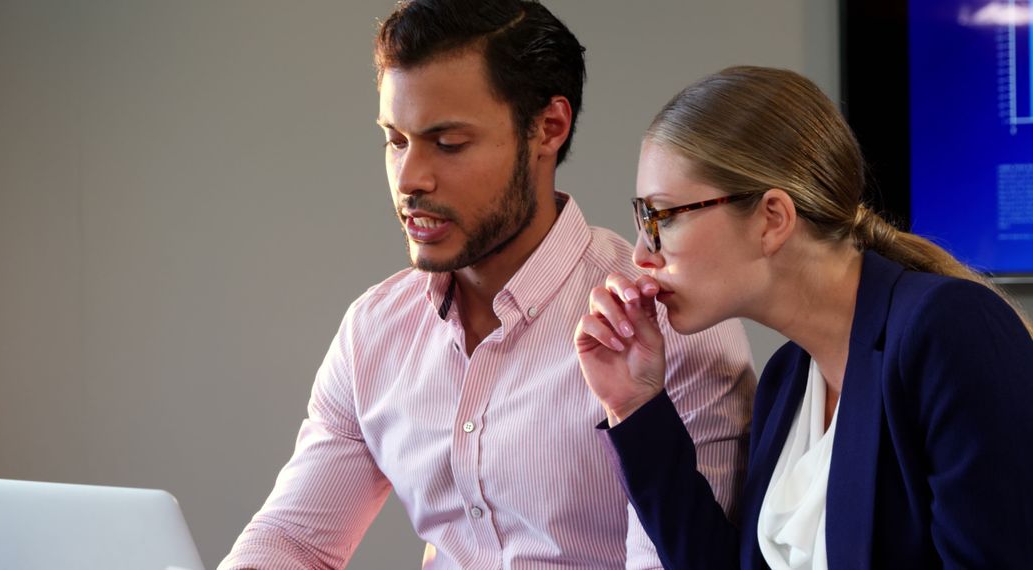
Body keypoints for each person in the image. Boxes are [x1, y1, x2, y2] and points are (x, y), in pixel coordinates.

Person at [219, 2, 756, 568]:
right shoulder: (374, 331)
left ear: (549, 128)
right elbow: (293, 541)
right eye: (395, 140)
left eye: (448, 143)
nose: (409, 180)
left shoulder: (667, 329)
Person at [575, 65, 1033, 570]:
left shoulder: (948, 328)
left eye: (661, 217)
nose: (641, 255)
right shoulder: (787, 378)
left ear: (773, 218)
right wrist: (636, 404)